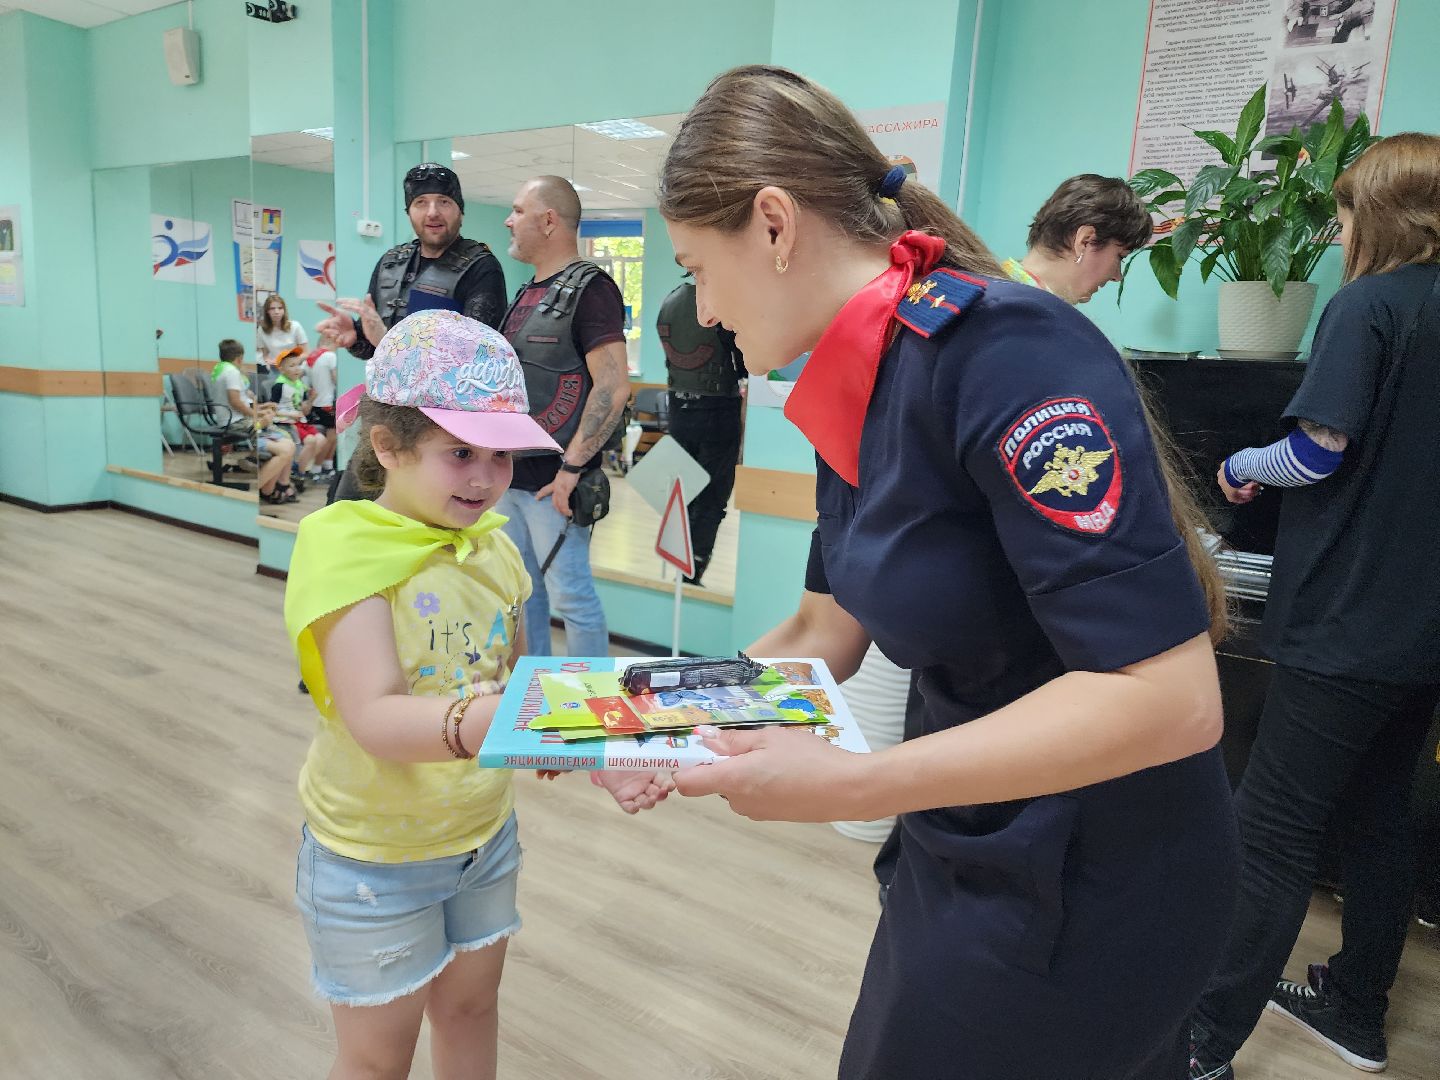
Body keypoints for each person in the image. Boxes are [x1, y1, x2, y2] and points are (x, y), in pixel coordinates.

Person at [659, 65, 1239, 1080]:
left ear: (775, 225)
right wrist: (647, 720)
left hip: (1095, 867)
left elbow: (1172, 702)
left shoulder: (1002, 353)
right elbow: (819, 634)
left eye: (698, 268)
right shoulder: (860, 380)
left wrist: (850, 780)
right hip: (965, 837)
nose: (702, 310)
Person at [283, 309, 671, 1080]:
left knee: (470, 1009)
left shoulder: (495, 546)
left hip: (484, 838)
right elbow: (377, 719)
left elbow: (522, 678)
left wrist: (596, 744)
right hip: (375, 859)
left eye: (500, 456)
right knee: (374, 1059)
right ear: (388, 447)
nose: (487, 478)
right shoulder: (343, 548)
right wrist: (514, 719)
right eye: (459, 453)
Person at [1189, 133, 1440, 1080]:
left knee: (1272, 833)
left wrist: (1240, 466)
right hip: (1424, 631)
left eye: (1342, 215)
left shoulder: (1369, 306)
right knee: (1380, 813)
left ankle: (1202, 1045)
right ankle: (1355, 1010)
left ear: (1380, 213)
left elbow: (1316, 453)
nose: (1337, 234)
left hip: (1348, 623)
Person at [318, 162, 509, 502]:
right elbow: (374, 346)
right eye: (421, 203)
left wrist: (384, 340)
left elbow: (475, 362)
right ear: (409, 211)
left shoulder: (481, 268)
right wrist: (356, 337)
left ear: (460, 211)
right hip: (384, 413)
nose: (433, 212)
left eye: (444, 202)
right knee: (347, 507)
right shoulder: (391, 262)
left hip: (441, 431)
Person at [497, 176, 630, 657]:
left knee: (572, 598)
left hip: (555, 483)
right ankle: (533, 699)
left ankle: (594, 707)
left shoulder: (591, 290)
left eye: (517, 210)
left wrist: (573, 468)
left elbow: (612, 387)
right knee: (521, 594)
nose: (508, 220)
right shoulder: (526, 294)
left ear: (548, 220)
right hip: (511, 477)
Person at [656, 278, 745, 585]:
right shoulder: (720, 302)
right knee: (712, 498)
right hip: (717, 410)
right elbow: (744, 360)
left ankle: (678, 567)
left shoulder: (671, 298)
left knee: (683, 494)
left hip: (678, 408)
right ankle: (691, 574)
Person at [1001, 173, 1154, 304]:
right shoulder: (1023, 314)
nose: (1117, 277)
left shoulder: (997, 291)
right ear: (1085, 241)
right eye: (1120, 256)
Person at [210, 338, 297, 503]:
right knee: (286, 447)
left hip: (235, 419)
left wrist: (261, 408)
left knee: (288, 443)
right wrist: (257, 416)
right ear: (240, 358)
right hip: (236, 423)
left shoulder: (222, 370)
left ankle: (269, 489)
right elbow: (235, 402)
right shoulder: (232, 373)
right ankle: (251, 496)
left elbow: (237, 403)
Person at [268, 346, 329, 481]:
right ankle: (298, 474)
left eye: (298, 365)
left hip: (299, 421)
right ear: (282, 369)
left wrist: (312, 399)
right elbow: (272, 409)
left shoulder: (299, 385)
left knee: (322, 440)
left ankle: (297, 470)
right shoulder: (279, 386)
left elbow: (304, 411)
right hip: (285, 422)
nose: (297, 369)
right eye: (292, 366)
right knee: (311, 441)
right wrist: (290, 415)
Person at [255, 294, 308, 371]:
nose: (276, 312)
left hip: (295, 368)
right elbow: (265, 354)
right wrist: (267, 360)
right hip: (276, 368)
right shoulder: (262, 329)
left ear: (284, 310)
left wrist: (290, 363)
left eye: (280, 308)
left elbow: (306, 353)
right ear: (267, 311)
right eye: (272, 308)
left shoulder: (295, 326)